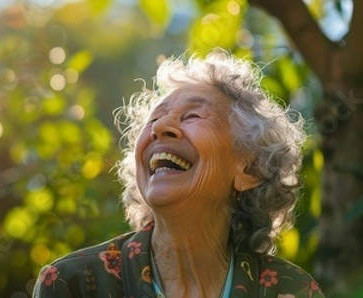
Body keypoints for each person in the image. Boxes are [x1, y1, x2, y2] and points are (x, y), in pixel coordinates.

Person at [33, 51, 325, 297]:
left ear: (249, 169)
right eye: (155, 119)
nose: (161, 128)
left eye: (193, 116)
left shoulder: (292, 291)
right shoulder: (73, 284)